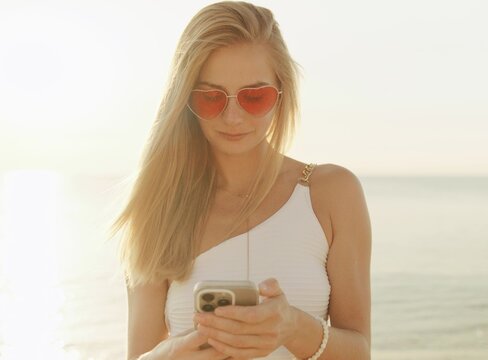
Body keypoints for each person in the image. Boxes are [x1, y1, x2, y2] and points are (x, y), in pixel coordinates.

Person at [112, 1, 371, 359]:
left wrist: (294, 327)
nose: (233, 117)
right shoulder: (158, 210)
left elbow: (359, 351)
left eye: (254, 96)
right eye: (210, 98)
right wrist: (170, 355)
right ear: (185, 99)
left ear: (281, 95)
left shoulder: (331, 193)